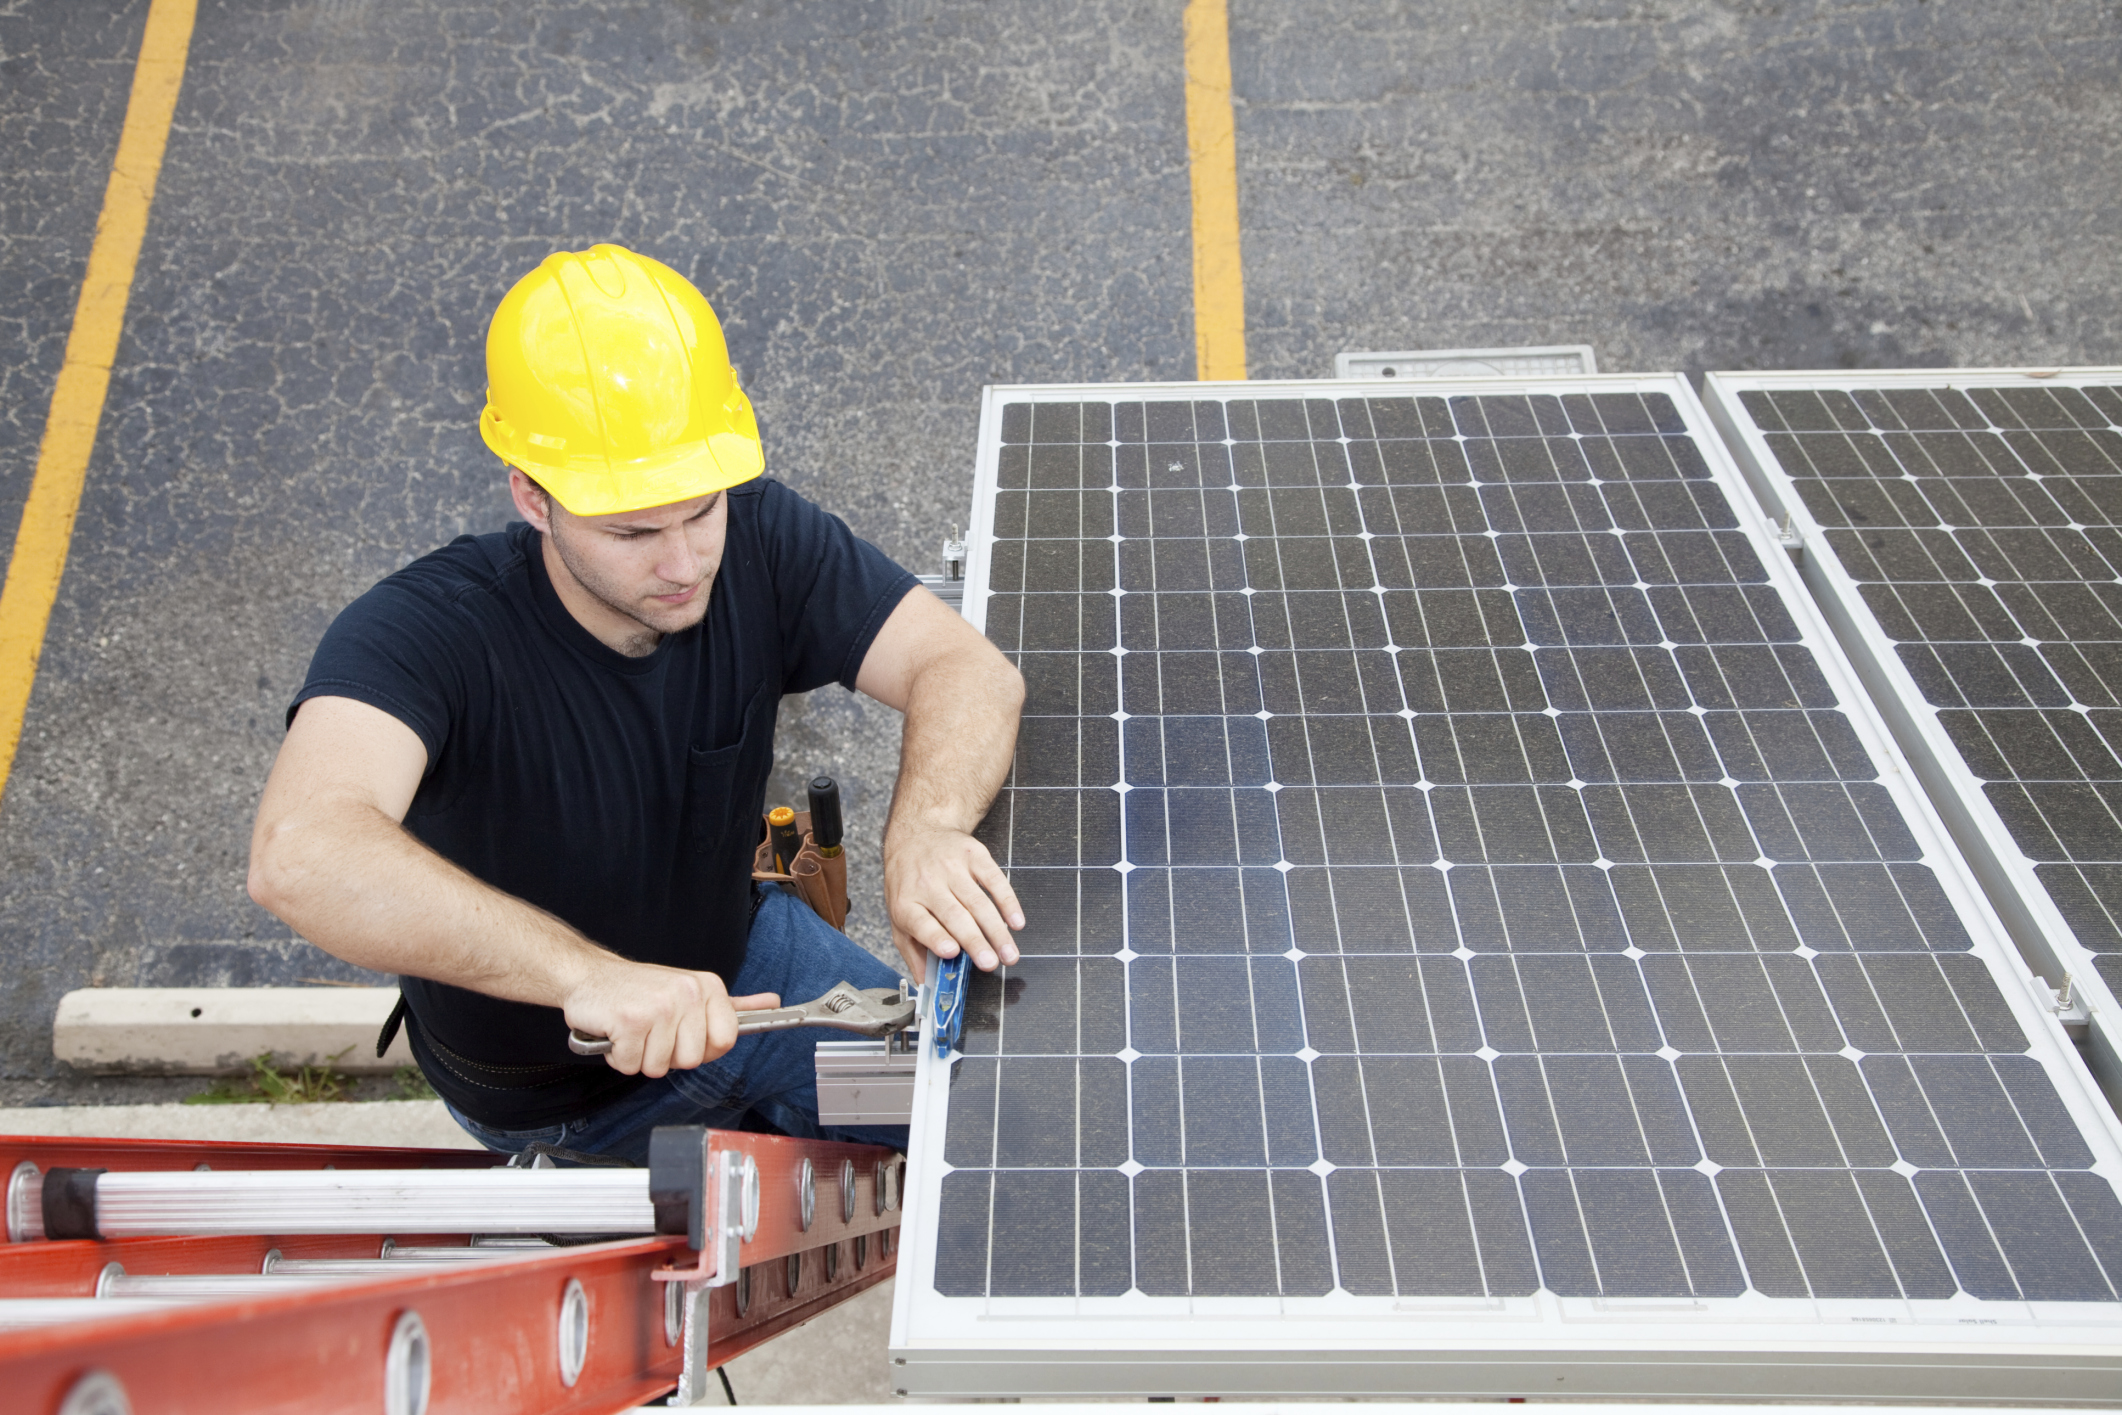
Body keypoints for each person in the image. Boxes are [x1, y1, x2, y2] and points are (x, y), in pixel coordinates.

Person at [247, 244, 1024, 1162]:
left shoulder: (761, 537)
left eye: (700, 510)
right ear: (534, 496)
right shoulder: (430, 633)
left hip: (758, 970)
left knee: (1002, 1119)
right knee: (688, 1279)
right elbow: (299, 853)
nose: (686, 562)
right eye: (633, 530)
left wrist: (926, 831)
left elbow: (964, 667)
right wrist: (589, 977)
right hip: (567, 1099)